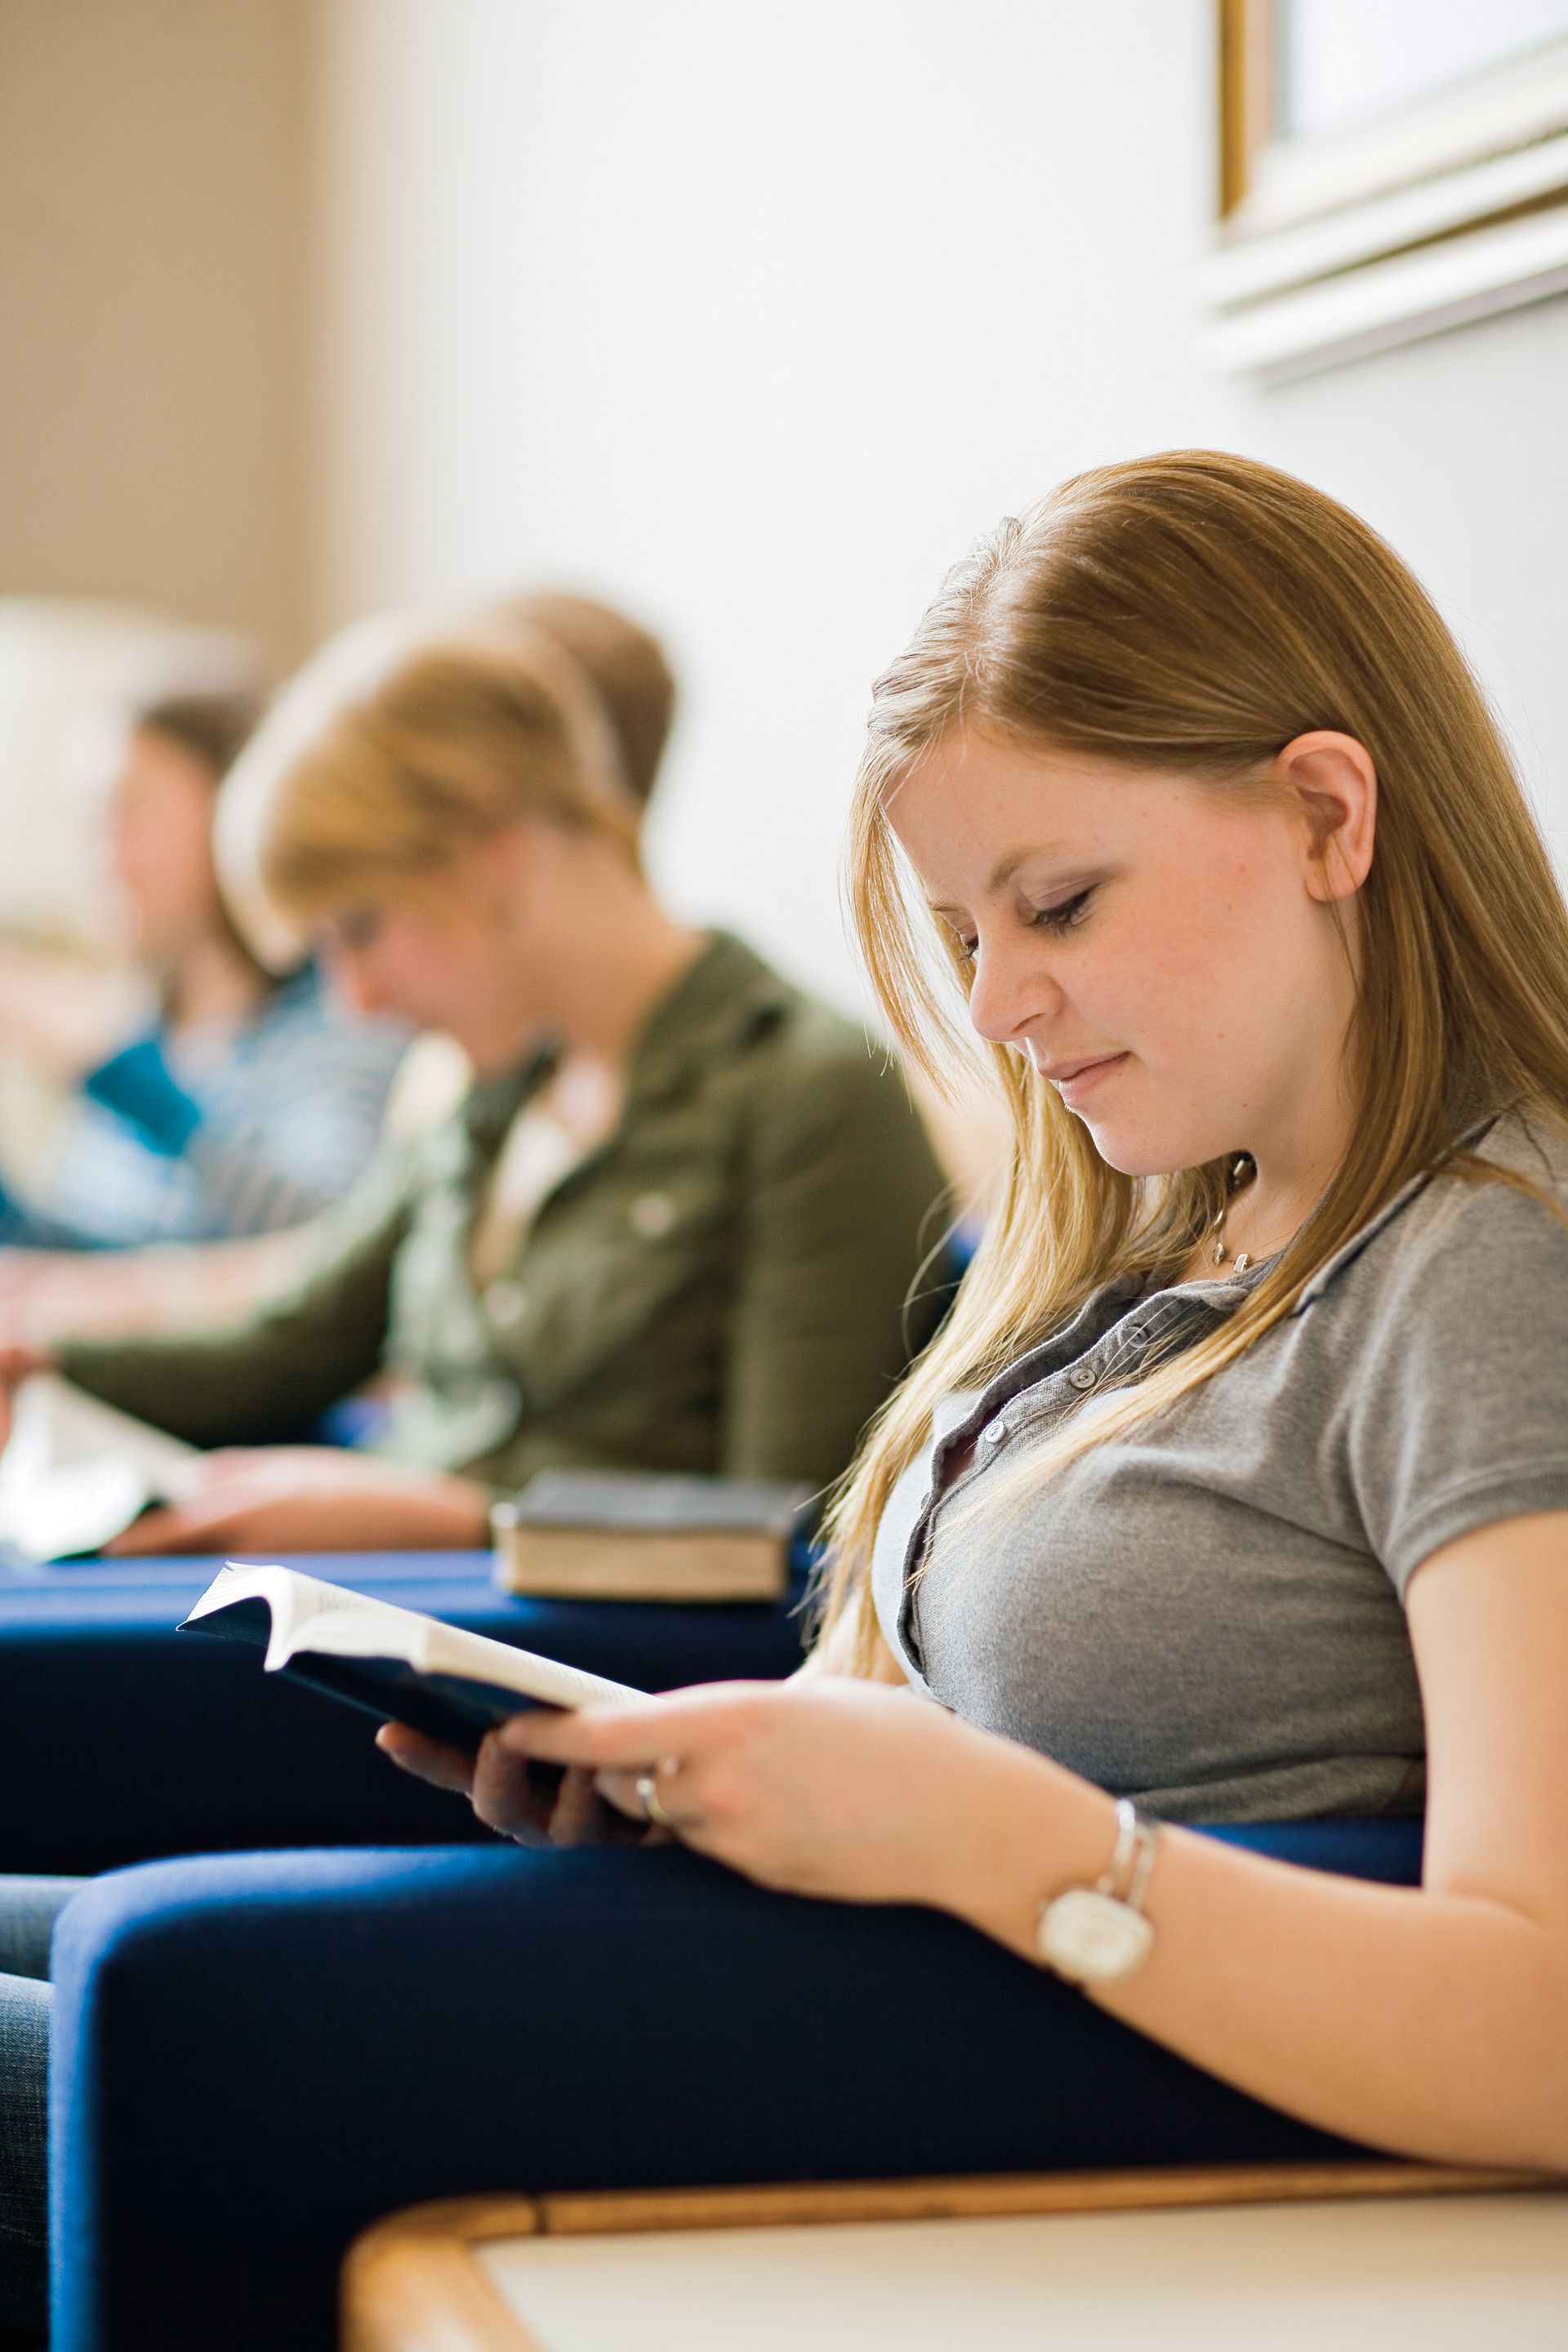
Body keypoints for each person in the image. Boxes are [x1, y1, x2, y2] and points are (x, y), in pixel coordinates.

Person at [12, 451, 1568, 2350]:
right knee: (59, 1946)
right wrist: (726, 1782)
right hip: (916, 1954)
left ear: (1330, 814)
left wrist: (995, 1836)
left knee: (151, 1977)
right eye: (965, 932)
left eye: (1058, 901)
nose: (997, 1003)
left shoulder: (1483, 1267)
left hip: (1074, 2037)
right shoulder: (1173, 1231)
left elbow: (1543, 2017)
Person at [0, 609, 947, 1556]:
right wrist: (36, 1362)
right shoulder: (482, 1093)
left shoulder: (810, 1095)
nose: (356, 1002)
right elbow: (291, 1344)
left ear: (491, 840)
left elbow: (791, 1538)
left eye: (360, 929)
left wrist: (449, 1519)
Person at [0, 692, 408, 1253]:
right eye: (89, 818)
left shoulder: (346, 1012)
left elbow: (329, 1232)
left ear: (234, 814)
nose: (102, 854)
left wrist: (118, 1071)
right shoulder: (143, 1021)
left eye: (130, 811)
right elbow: (95, 1263)